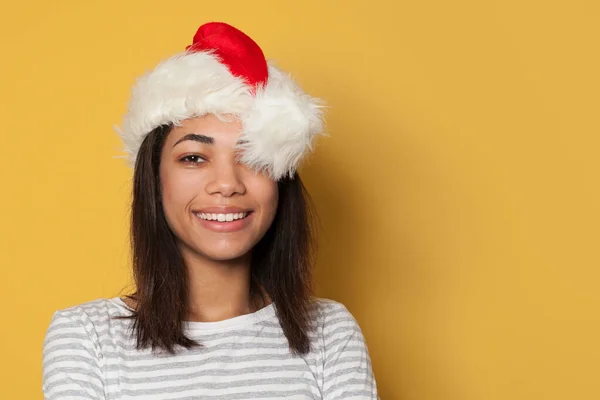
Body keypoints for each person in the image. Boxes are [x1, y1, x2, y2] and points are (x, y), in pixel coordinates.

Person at [42, 22, 379, 399]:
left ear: (281, 182)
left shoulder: (329, 331)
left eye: (252, 156)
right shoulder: (87, 338)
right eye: (193, 157)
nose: (227, 183)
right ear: (154, 179)